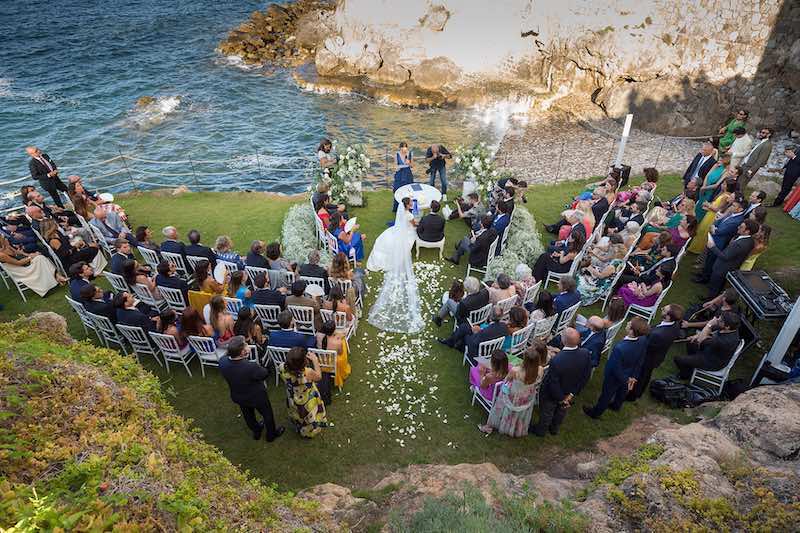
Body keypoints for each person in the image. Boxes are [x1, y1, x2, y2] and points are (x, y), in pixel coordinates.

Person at [366, 197, 424, 333]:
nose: (412, 204)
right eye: (410, 203)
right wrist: (419, 223)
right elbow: (413, 225)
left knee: (385, 238)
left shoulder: (401, 212)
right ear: (407, 205)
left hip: (397, 230)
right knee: (412, 236)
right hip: (406, 232)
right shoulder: (409, 215)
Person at [219, 336, 284, 442]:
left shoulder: (223, 362)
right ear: (242, 352)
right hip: (256, 396)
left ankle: (256, 431)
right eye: (246, 345)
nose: (248, 345)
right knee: (267, 414)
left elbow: (227, 357)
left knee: (248, 415)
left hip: (239, 395)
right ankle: (271, 435)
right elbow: (264, 374)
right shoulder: (250, 367)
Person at [583, 318, 650, 419]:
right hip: (629, 372)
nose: (627, 323)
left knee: (606, 394)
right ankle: (616, 405)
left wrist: (626, 380)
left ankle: (595, 412)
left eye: (629, 324)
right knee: (622, 390)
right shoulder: (643, 339)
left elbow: (615, 367)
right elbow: (641, 359)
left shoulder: (620, 348)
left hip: (614, 376)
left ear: (632, 331)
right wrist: (633, 376)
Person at [530, 328, 591, 436]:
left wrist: (562, 399)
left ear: (563, 341)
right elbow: (585, 376)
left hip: (552, 394)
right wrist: (571, 395)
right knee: (561, 411)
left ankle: (541, 430)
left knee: (547, 412)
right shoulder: (585, 353)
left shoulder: (557, 360)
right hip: (569, 391)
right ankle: (554, 429)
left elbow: (553, 382)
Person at [480, 342, 546, 437]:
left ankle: (492, 424)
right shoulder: (540, 369)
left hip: (514, 395)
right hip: (527, 395)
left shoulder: (516, 370)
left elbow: (506, 380)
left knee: (500, 406)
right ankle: (516, 426)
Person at [628, 304, 684, 400]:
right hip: (658, 355)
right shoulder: (674, 325)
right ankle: (638, 392)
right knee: (646, 375)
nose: (661, 309)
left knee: (641, 375)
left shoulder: (658, 334)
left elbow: (645, 346)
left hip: (648, 358)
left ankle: (632, 395)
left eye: (663, 310)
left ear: (668, 317)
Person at [674, 311, 741, 379]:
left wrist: (709, 324)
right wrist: (697, 335)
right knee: (691, 342)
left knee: (678, 359)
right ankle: (691, 362)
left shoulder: (725, 341)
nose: (717, 320)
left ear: (727, 327)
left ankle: (685, 375)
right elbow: (710, 333)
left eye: (720, 321)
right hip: (712, 351)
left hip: (711, 361)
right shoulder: (730, 328)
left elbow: (700, 340)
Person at [279, 346, 329, 438]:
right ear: (304, 362)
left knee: (297, 413)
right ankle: (311, 431)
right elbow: (318, 376)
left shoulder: (281, 367)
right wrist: (315, 360)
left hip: (293, 396)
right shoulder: (307, 372)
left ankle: (300, 427)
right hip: (307, 399)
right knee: (309, 414)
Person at [704, 219, 758, 297]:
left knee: (715, 287)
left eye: (742, 227)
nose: (738, 227)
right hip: (729, 267)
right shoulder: (749, 240)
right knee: (717, 286)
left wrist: (712, 247)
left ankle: (709, 302)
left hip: (723, 268)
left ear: (747, 231)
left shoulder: (740, 244)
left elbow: (725, 257)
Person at [439, 305, 509, 364]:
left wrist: (475, 332)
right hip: (493, 348)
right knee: (465, 327)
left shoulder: (485, 330)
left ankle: (453, 343)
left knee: (465, 331)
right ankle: (453, 342)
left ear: (490, 315)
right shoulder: (504, 327)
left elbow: (474, 342)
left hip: (480, 351)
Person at [690, 179, 737, 254]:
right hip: (710, 213)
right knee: (701, 229)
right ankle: (694, 247)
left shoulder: (726, 196)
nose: (722, 185)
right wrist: (708, 207)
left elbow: (718, 209)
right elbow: (715, 203)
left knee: (703, 231)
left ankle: (697, 249)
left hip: (712, 216)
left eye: (724, 184)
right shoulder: (722, 193)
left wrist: (708, 205)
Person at [315, 320, 351, 389]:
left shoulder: (319, 335)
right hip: (331, 362)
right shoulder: (337, 342)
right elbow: (340, 353)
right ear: (334, 330)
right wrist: (339, 339)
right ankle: (343, 370)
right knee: (343, 344)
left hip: (322, 359)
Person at [695, 155, 730, 219]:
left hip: (710, 191)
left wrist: (705, 188)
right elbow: (707, 175)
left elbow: (716, 184)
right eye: (718, 160)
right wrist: (703, 186)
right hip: (704, 188)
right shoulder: (715, 165)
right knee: (698, 204)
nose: (718, 161)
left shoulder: (725, 171)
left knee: (702, 208)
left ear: (725, 162)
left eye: (721, 160)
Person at [392, 142, 414, 212]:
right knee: (397, 189)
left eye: (405, 147)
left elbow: (412, 165)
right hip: (400, 174)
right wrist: (399, 167)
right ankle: (397, 208)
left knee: (408, 189)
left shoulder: (410, 154)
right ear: (400, 148)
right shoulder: (396, 154)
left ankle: (408, 207)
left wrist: (409, 163)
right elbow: (395, 166)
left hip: (407, 174)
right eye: (402, 147)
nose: (404, 149)